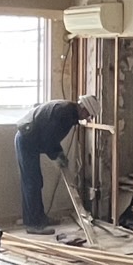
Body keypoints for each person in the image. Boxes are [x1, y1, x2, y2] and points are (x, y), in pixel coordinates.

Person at [15, 94, 99, 234]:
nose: (87, 118)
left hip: (30, 139)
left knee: (36, 181)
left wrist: (58, 153)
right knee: (32, 182)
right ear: (83, 108)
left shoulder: (69, 112)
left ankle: (39, 218)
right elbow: (48, 138)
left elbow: (51, 137)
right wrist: (57, 155)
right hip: (26, 140)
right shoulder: (64, 112)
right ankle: (33, 224)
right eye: (88, 114)